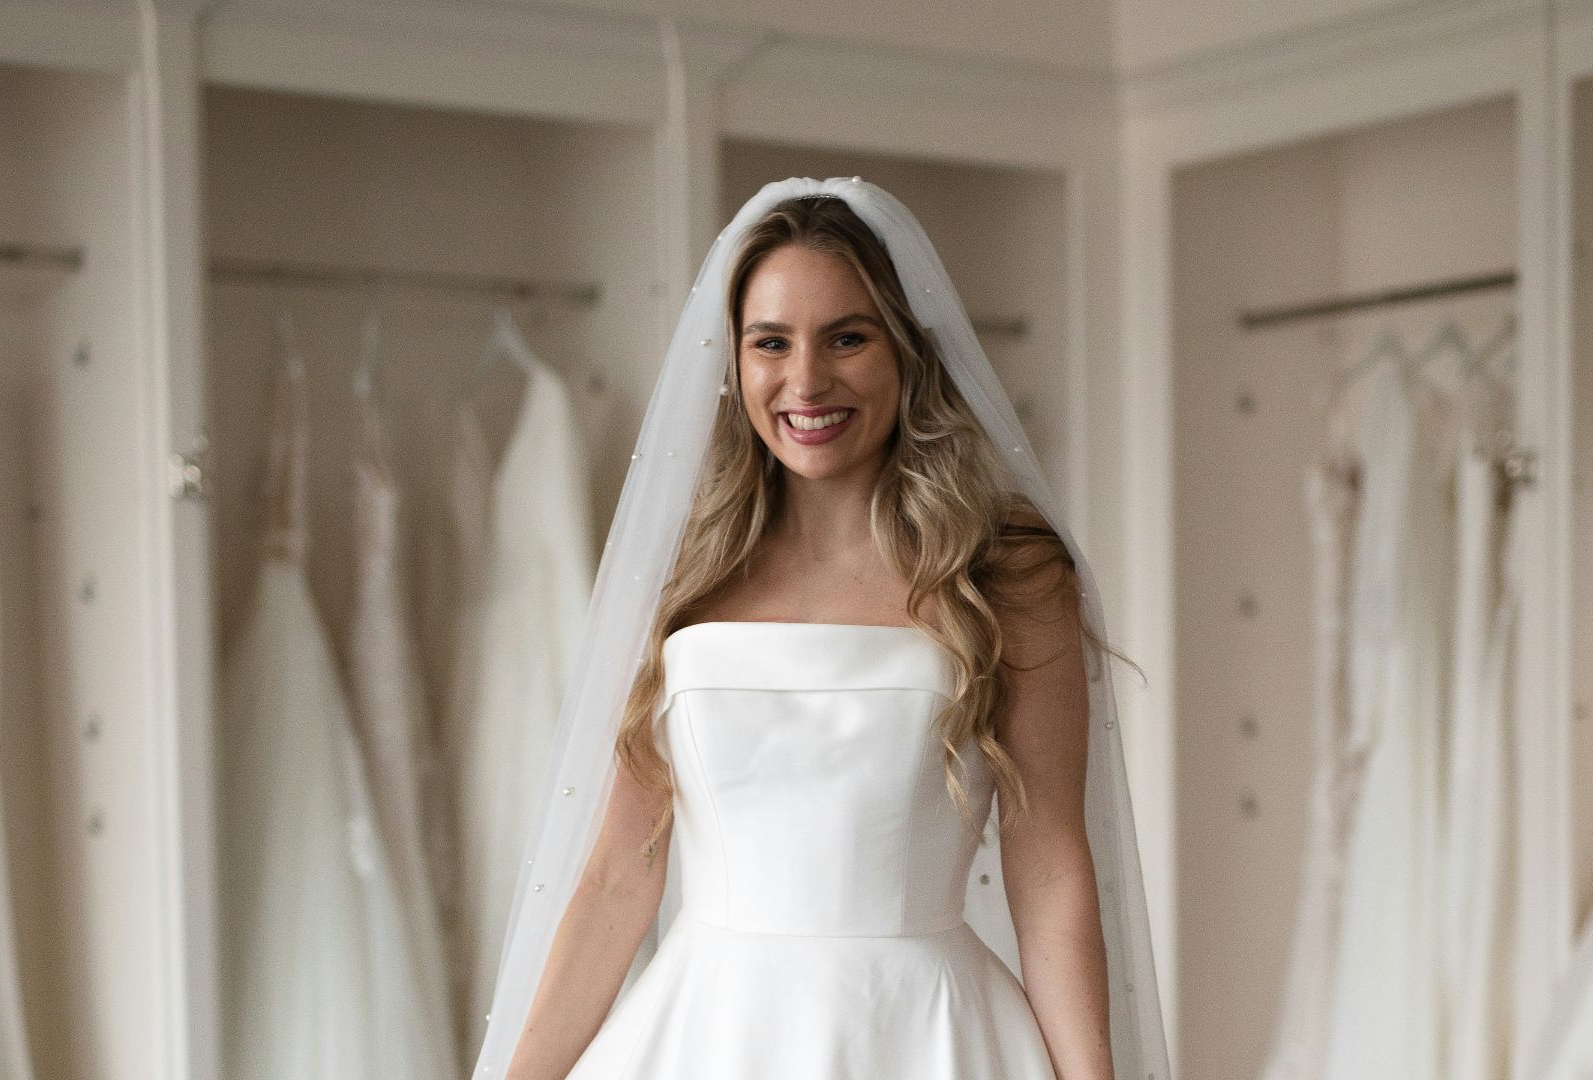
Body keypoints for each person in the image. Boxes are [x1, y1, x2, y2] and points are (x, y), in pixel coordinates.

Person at [470, 176, 1171, 1080]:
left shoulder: (1010, 572)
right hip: (707, 1036)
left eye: (848, 337)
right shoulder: (687, 576)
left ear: (908, 352)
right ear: (735, 360)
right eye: (772, 343)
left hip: (926, 1037)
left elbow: (1051, 874)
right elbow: (616, 875)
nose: (805, 381)